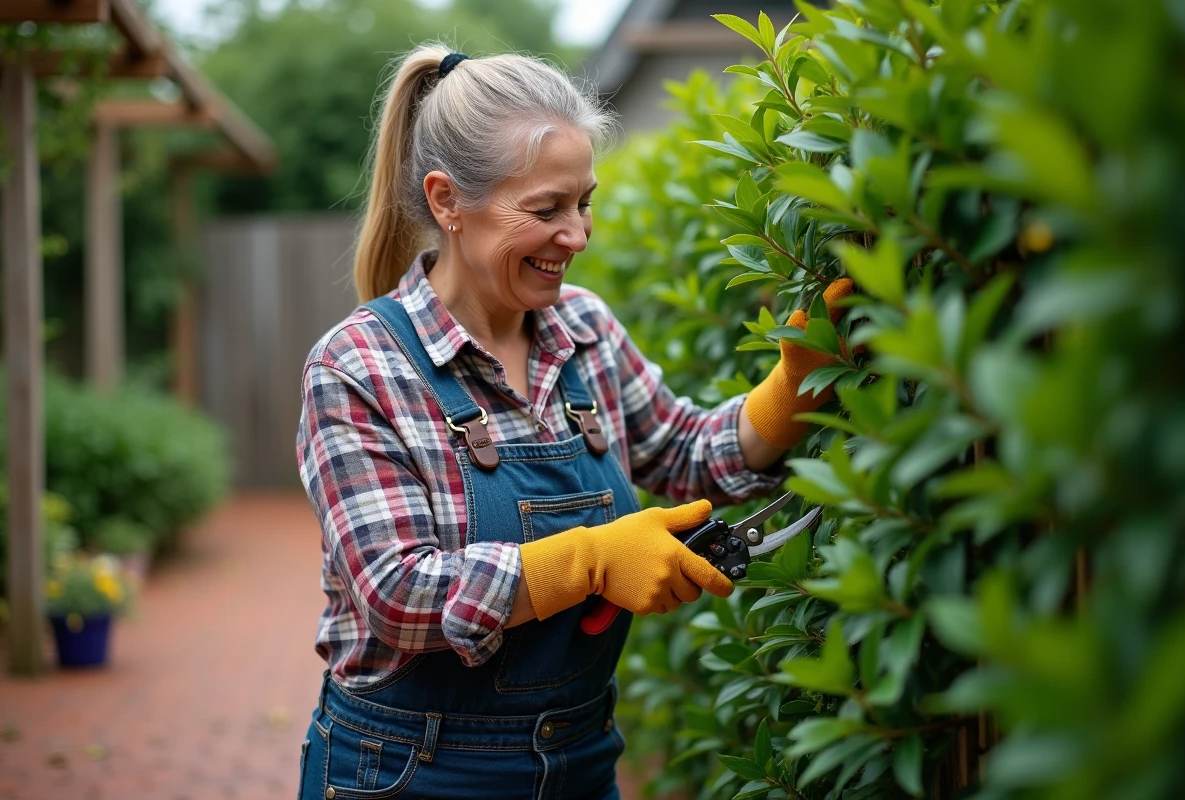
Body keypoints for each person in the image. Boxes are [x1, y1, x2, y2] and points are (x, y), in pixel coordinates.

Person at [296, 44, 852, 800]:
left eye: (583, 202)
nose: (578, 235)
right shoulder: (358, 366)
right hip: (409, 770)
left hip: (581, 759)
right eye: (546, 209)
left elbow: (686, 452)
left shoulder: (581, 328)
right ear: (447, 201)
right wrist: (588, 560)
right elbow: (395, 593)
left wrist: (792, 385)